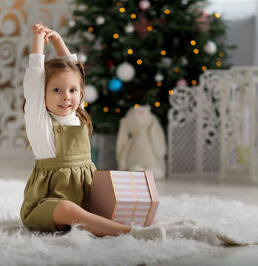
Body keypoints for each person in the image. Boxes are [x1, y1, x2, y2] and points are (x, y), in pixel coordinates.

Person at [20, 23, 166, 240]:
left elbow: (75, 71)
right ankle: (129, 233)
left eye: (72, 91)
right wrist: (39, 42)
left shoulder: (77, 115)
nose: (66, 97)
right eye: (56, 90)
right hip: (48, 204)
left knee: (125, 202)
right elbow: (33, 82)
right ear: (43, 93)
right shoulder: (40, 122)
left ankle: (162, 226)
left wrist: (59, 41)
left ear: (80, 93)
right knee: (67, 209)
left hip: (87, 197)